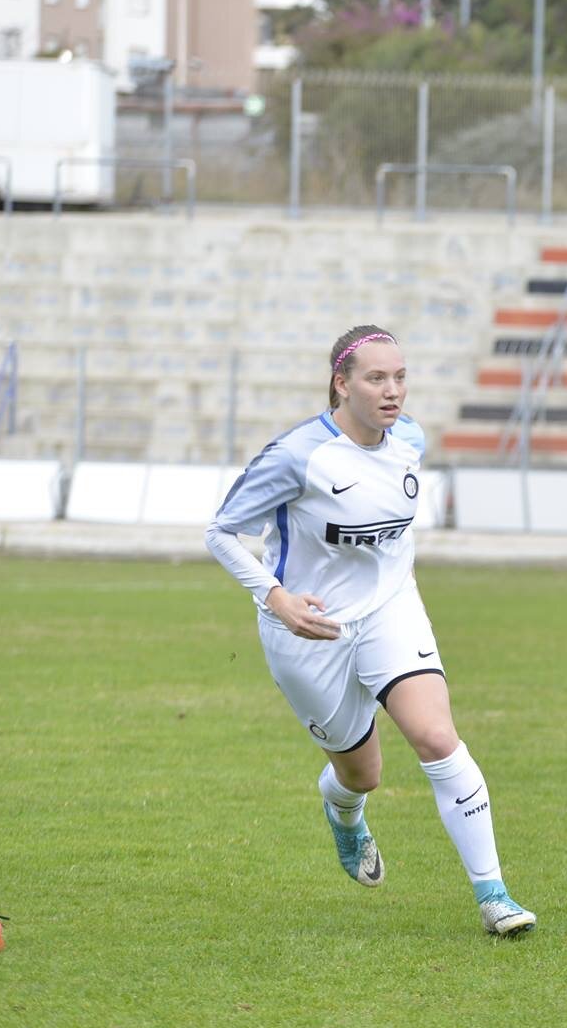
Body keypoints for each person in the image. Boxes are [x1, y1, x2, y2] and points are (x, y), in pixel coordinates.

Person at [204, 325, 536, 937]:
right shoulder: (297, 456)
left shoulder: (408, 439)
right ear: (341, 383)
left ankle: (495, 897)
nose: (393, 391)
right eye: (376, 378)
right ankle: (345, 814)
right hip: (310, 631)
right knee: (363, 774)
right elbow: (220, 532)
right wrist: (275, 598)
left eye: (401, 377)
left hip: (390, 608)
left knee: (437, 737)